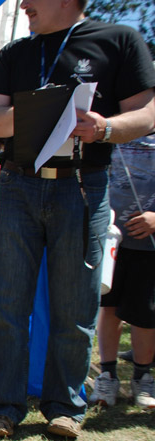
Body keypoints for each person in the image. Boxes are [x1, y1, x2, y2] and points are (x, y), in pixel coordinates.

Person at [0, 0, 155, 439]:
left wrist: (106, 128)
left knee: (76, 304)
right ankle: (4, 406)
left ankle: (65, 408)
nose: (23, 5)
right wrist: (44, 112)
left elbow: (148, 112)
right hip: (18, 184)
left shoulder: (119, 40)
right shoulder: (15, 52)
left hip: (83, 186)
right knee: (8, 304)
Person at [93, 133, 155, 408]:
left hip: (149, 244)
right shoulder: (113, 132)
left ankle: (143, 377)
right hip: (111, 239)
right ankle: (107, 375)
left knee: (145, 314)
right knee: (109, 306)